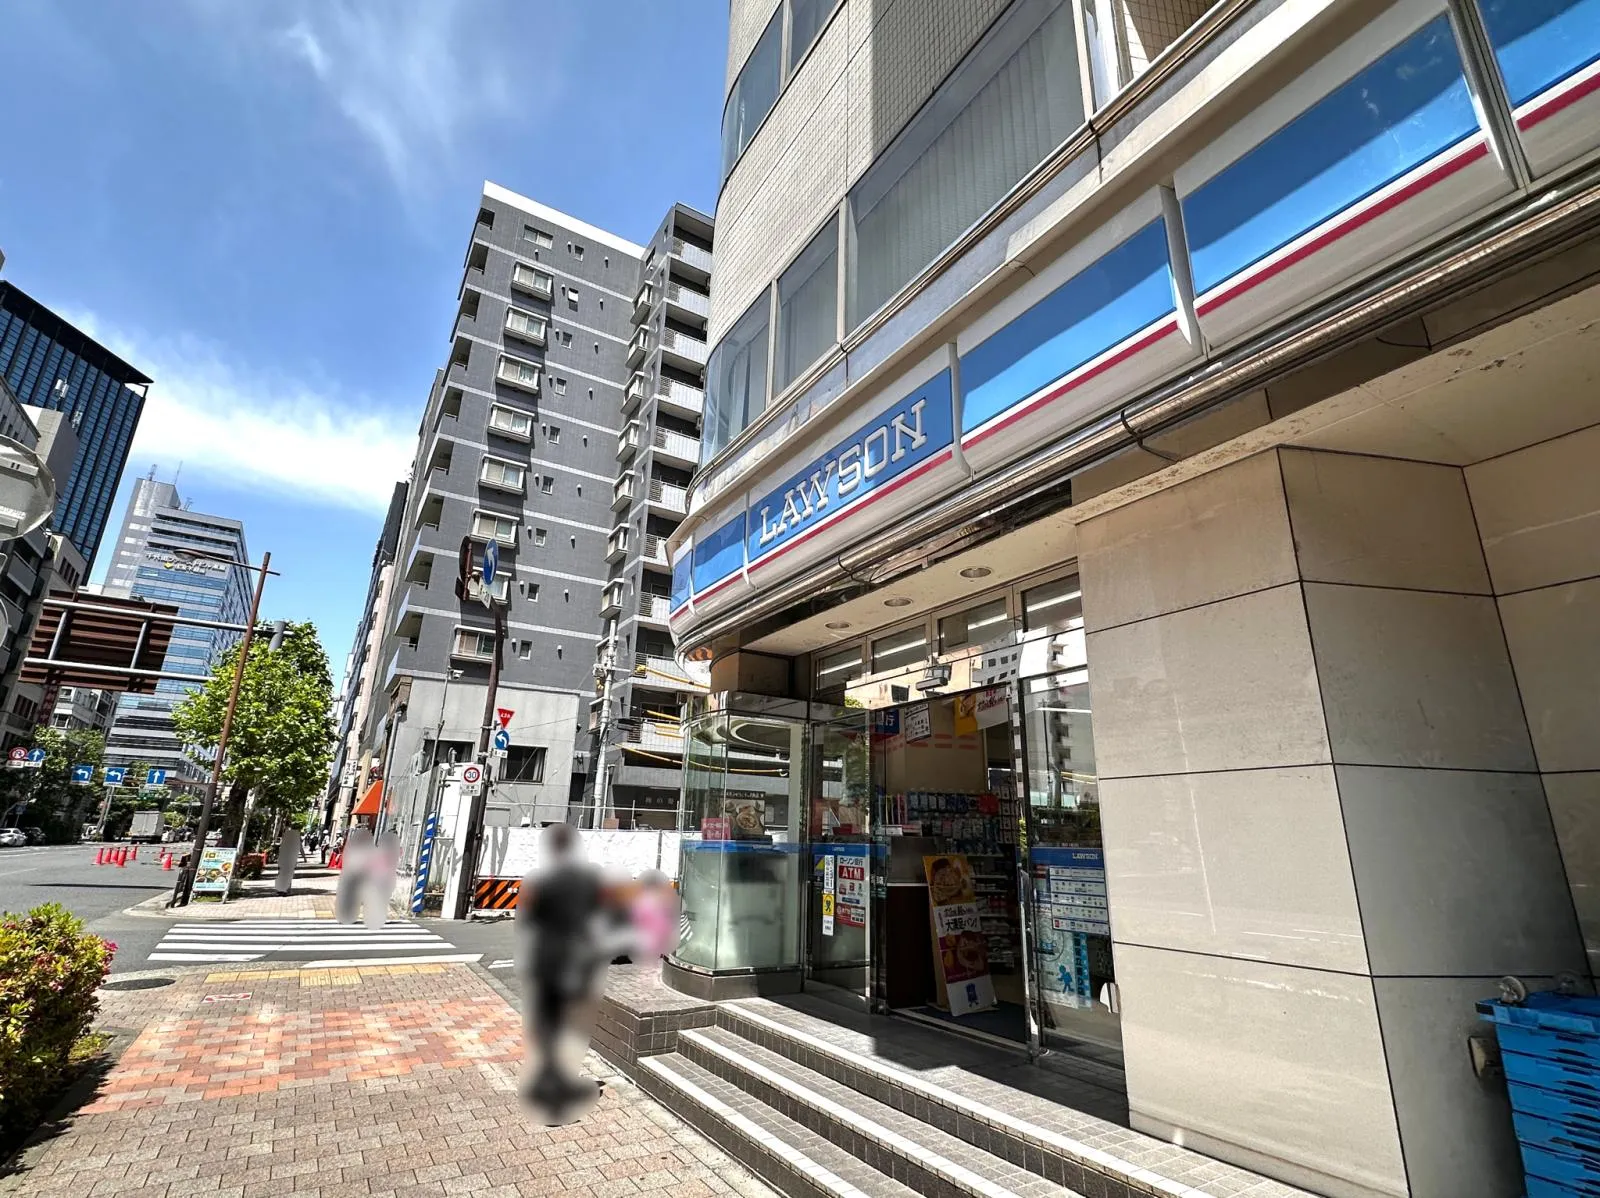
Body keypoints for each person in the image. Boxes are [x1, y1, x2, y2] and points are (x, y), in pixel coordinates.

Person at [516, 824, 633, 1125]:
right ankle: (557, 1092)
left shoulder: (539, 881)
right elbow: (605, 917)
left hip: (545, 962)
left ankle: (549, 1089)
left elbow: (528, 922)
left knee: (547, 1028)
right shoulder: (590, 879)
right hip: (577, 964)